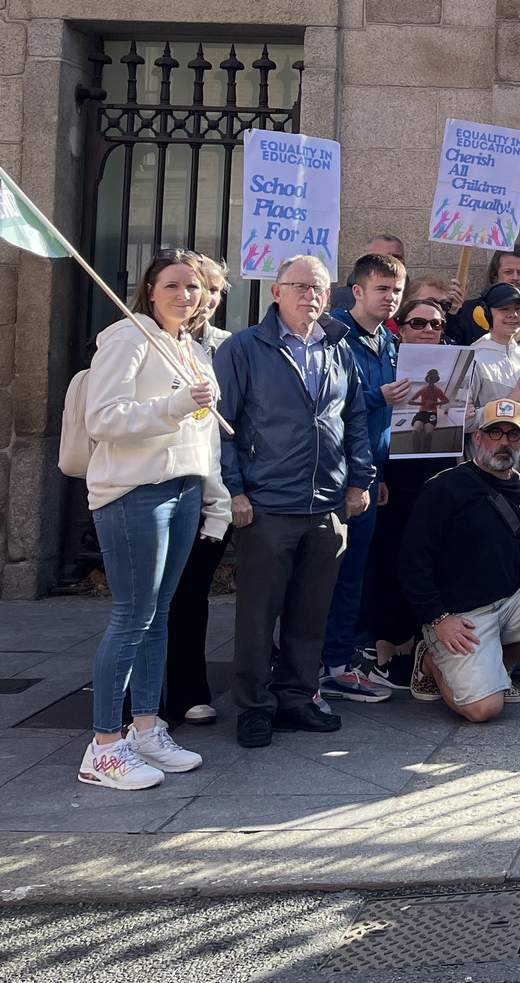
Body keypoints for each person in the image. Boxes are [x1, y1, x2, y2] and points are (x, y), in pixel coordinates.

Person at [76, 250, 228, 788]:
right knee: (132, 615)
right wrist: (175, 404)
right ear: (150, 289)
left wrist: (215, 502)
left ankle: (145, 728)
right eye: (173, 285)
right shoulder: (128, 337)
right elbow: (102, 418)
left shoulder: (191, 347)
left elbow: (205, 434)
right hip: (134, 491)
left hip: (183, 488)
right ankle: (103, 747)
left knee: (158, 613)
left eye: (193, 287)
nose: (185, 295)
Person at [214, 255, 375, 749]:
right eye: (300, 286)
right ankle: (254, 706)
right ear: (276, 292)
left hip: (327, 505)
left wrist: (360, 480)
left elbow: (354, 418)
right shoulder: (244, 347)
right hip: (267, 504)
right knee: (257, 616)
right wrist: (234, 490)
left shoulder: (337, 347)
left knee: (310, 614)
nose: (311, 295)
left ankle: (297, 698)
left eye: (319, 288)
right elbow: (222, 426)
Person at [402, 399, 520, 720]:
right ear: (478, 437)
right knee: (483, 710)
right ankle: (431, 663)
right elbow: (411, 562)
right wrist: (439, 618)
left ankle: (503, 658)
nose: (504, 442)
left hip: (513, 604)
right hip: (460, 616)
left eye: (512, 434)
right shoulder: (444, 488)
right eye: (495, 432)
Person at [356, 297, 458, 694]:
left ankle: (421, 647)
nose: (428, 330)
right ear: (401, 327)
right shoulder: (387, 359)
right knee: (390, 556)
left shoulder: (456, 360)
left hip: (439, 471)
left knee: (432, 557)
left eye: (436, 324)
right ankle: (386, 651)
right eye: (418, 323)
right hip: (393, 474)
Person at [320, 251, 409, 704]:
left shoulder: (388, 340)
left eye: (396, 290)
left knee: (353, 573)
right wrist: (379, 396)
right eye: (382, 289)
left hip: (369, 475)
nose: (391, 297)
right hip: (335, 475)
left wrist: (380, 473)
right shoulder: (332, 336)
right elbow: (330, 404)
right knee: (326, 575)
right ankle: (319, 665)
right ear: (357, 291)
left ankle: (337, 664)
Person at [159, 254, 233, 726]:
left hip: (212, 493)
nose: (202, 298)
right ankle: (139, 705)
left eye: (212, 290)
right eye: (191, 287)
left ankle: (188, 691)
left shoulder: (227, 347)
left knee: (191, 595)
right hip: (159, 486)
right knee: (148, 604)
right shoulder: (148, 340)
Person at [469, 282, 520, 410]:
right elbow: (463, 418)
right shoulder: (473, 359)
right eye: (504, 309)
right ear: (485, 314)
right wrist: (509, 405)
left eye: (518, 308)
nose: (513, 314)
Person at [452, 248, 520, 341]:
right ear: (494, 276)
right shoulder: (468, 311)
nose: (515, 277)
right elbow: (450, 346)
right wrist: (453, 311)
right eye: (508, 272)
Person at [327, 234, 409, 313]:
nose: (391, 262)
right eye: (382, 257)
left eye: (397, 257)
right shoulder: (340, 297)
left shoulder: (412, 294)